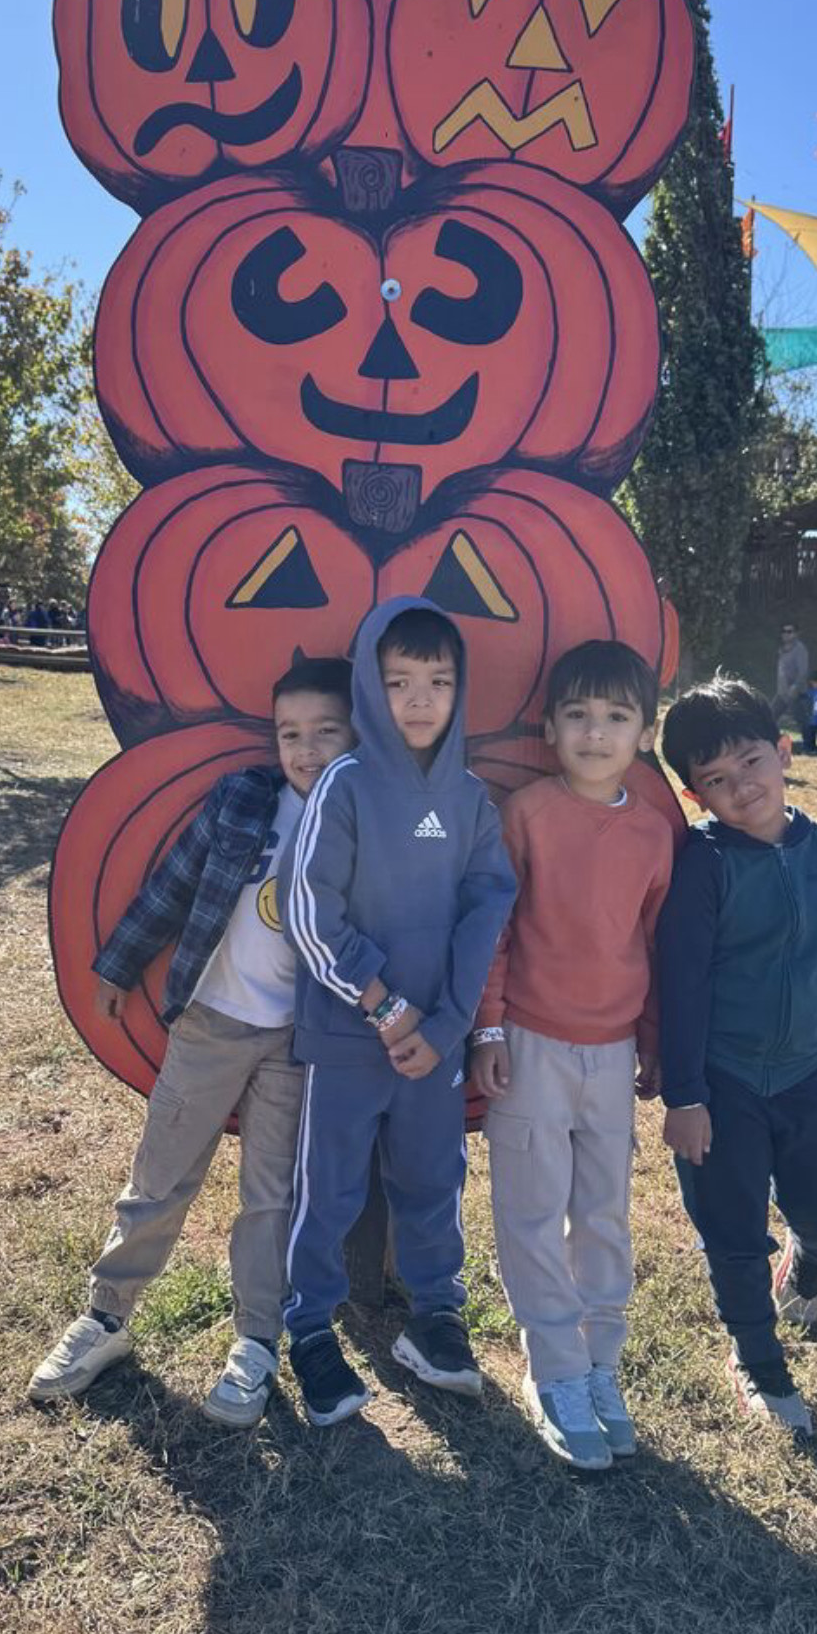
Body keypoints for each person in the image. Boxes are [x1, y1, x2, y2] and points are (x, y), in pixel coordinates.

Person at [29, 656, 357, 1425]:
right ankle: (107, 1314)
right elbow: (175, 883)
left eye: (325, 732)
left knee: (271, 1195)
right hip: (211, 1019)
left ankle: (255, 1340)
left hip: (296, 1040)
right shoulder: (244, 797)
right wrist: (121, 957)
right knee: (162, 1173)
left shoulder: (361, 820)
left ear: (356, 734)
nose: (305, 749)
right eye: (290, 734)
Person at [278, 597, 517, 1427]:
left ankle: (437, 1319)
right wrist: (387, 1010)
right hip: (351, 1036)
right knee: (330, 1188)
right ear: (371, 689)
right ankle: (308, 1325)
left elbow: (488, 908)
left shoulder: (470, 798)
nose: (420, 698)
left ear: (460, 690)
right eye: (400, 680)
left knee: (433, 1178)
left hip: (434, 1050)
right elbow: (310, 912)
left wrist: (445, 1026)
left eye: (439, 681)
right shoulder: (344, 784)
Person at [472, 641, 673, 1470]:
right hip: (529, 1043)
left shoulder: (658, 834)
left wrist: (655, 1044)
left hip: (613, 1054)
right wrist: (487, 1028)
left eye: (617, 717)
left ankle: (600, 1365)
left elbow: (657, 948)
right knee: (531, 1210)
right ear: (549, 727)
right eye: (579, 716)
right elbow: (494, 930)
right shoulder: (525, 814)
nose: (597, 733)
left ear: (644, 730)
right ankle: (554, 1369)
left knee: (601, 1215)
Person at [657, 676, 817, 1435]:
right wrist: (684, 1095)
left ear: (782, 753)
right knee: (733, 1232)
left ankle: (809, 1268)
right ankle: (757, 1358)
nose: (740, 787)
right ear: (694, 796)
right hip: (723, 1086)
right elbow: (679, 987)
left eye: (751, 762)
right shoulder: (702, 866)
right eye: (715, 780)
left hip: (811, 1075)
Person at [772, 619, 810, 740]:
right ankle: (771, 740)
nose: (786, 634)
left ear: (796, 633)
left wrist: (795, 687)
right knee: (771, 717)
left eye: (790, 631)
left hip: (795, 692)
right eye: (784, 631)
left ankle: (811, 746)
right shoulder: (782, 649)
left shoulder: (800, 649)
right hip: (782, 692)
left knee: (802, 720)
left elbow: (803, 670)